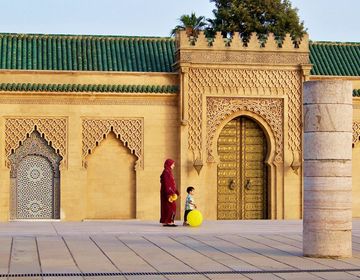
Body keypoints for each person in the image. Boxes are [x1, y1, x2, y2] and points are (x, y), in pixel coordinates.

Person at [160, 159, 179, 227]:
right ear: (169, 164)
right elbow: (167, 184)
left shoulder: (168, 172)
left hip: (168, 192)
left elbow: (171, 184)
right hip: (168, 193)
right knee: (172, 206)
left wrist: (175, 191)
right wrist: (170, 194)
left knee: (167, 206)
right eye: (172, 164)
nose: (173, 165)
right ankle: (169, 221)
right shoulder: (166, 172)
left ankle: (165, 221)